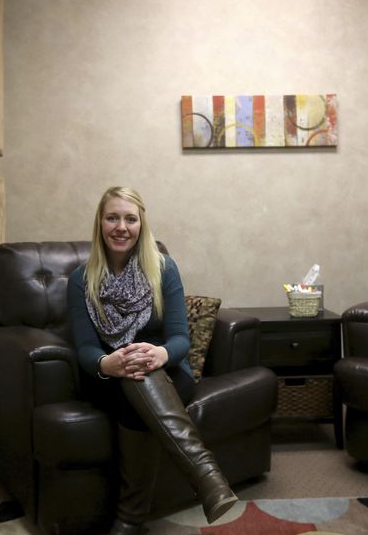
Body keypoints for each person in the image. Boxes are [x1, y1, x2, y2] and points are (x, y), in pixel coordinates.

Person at [67, 186, 238, 535]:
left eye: (130, 219)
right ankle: (208, 479)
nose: (121, 227)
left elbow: (180, 339)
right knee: (133, 374)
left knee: (139, 373)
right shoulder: (80, 280)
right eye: (112, 218)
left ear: (141, 224)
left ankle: (129, 520)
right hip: (108, 377)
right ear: (100, 223)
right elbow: (84, 347)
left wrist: (159, 353)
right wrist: (107, 363)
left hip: (169, 370)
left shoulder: (163, 269)